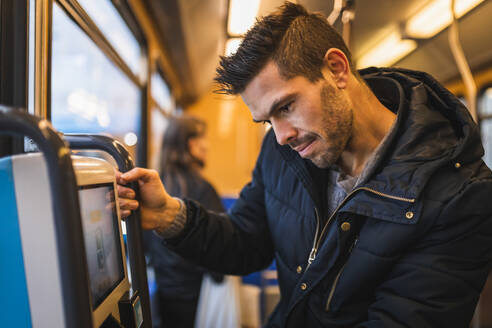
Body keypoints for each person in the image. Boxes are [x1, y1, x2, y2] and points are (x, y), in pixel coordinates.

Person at [116, 2, 492, 327]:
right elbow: (247, 241)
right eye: (267, 120)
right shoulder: (284, 153)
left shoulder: (460, 197)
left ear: (336, 69)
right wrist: (169, 215)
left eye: (286, 107)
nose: (280, 136)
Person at [145, 116, 225, 328]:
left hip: (163, 289)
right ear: (192, 144)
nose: (207, 146)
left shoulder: (152, 188)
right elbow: (219, 247)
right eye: (204, 139)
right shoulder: (202, 189)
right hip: (196, 294)